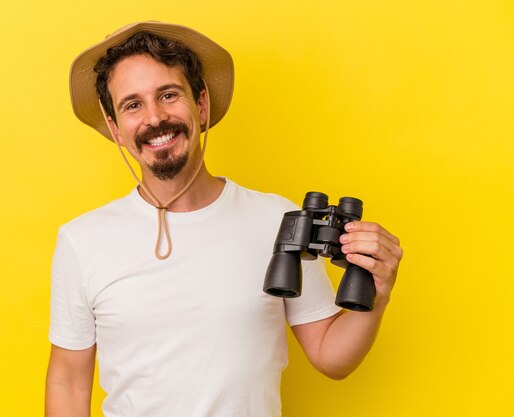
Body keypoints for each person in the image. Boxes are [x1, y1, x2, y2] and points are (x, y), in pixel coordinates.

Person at [45, 21, 403, 417]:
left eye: (168, 94)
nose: (155, 117)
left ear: (201, 105)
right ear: (115, 129)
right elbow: (68, 380)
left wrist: (377, 294)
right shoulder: (82, 240)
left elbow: (330, 356)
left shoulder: (274, 220)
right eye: (133, 105)